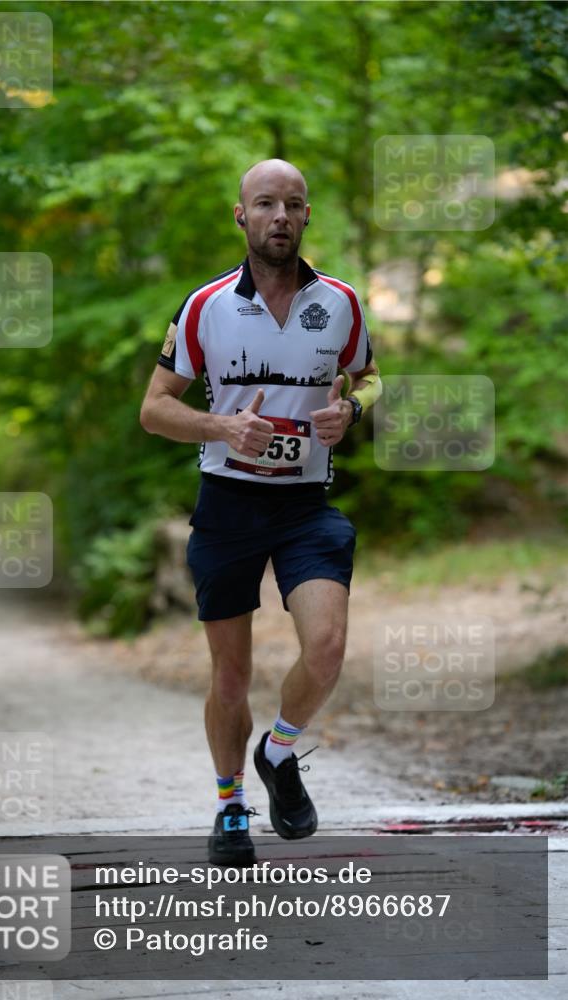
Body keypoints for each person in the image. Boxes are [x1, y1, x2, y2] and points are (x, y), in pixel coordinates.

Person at [140, 158, 382, 866]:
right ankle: (229, 806)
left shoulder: (340, 302)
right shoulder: (204, 307)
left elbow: (371, 378)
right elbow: (154, 409)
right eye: (266, 203)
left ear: (307, 217)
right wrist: (221, 427)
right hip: (228, 505)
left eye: (293, 204)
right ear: (241, 215)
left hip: (305, 505)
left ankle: (278, 751)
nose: (281, 216)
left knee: (326, 646)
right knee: (231, 676)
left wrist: (351, 409)